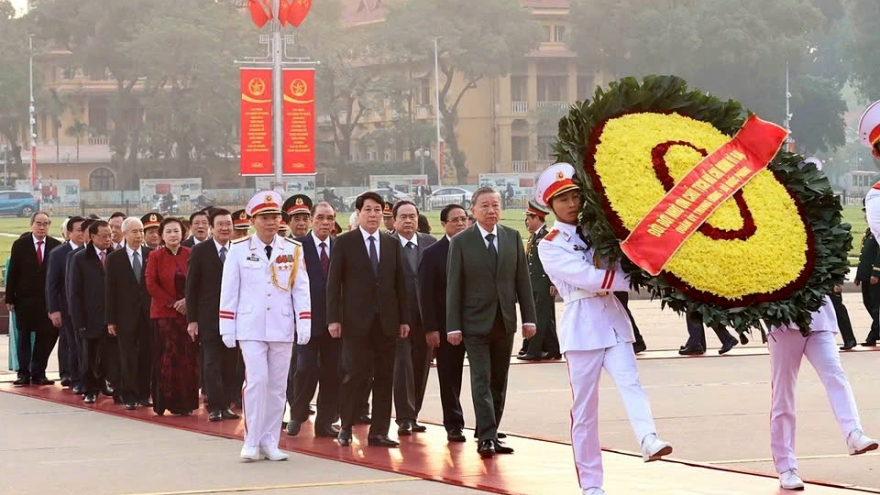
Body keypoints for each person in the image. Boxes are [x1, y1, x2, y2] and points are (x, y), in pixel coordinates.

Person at [535, 163, 672, 495]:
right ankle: (592, 486)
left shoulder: (598, 232)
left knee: (631, 383)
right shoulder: (549, 244)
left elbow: (619, 259)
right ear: (550, 206)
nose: (571, 204)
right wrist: (642, 276)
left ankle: (647, 438)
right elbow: (589, 278)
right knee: (584, 411)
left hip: (612, 321)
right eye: (562, 199)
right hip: (582, 325)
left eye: (575, 196)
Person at [219, 191, 311, 462]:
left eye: (275, 217)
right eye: (265, 217)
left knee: (278, 386)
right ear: (252, 220)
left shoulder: (292, 249)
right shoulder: (238, 249)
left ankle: (270, 440)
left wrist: (303, 320)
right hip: (250, 325)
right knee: (257, 380)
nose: (271, 222)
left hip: (281, 325)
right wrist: (227, 326)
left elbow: (301, 289)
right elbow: (229, 290)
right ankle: (251, 439)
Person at [446, 187, 536, 458]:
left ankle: (492, 430)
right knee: (481, 379)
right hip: (474, 323)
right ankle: (485, 436)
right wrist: (453, 325)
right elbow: (454, 287)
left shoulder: (512, 237)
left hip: (504, 322)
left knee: (499, 379)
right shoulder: (461, 242)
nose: (491, 210)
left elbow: (523, 282)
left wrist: (529, 319)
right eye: (484, 205)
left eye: (496, 205)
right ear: (473, 210)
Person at [767, 296, 878, 490]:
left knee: (836, 376)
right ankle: (786, 467)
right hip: (784, 322)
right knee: (783, 393)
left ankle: (853, 433)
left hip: (819, 320)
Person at [328, 191, 409, 448]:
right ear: (359, 213)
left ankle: (379, 432)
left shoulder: (391, 243)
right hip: (355, 323)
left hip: (386, 322)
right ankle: (347, 426)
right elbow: (334, 285)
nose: (373, 215)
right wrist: (333, 319)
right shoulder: (344, 242)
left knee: (385, 377)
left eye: (377, 210)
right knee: (356, 375)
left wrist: (404, 319)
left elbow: (401, 284)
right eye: (368, 210)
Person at [287, 201, 340, 438]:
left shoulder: (341, 247)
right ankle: (298, 414)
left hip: (335, 322)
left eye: (330, 218)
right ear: (311, 219)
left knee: (332, 372)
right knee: (305, 369)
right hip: (306, 321)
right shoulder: (296, 246)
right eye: (320, 218)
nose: (325, 223)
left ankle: (325, 422)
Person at [418, 204, 469, 442]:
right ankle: (454, 424)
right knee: (449, 377)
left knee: (485, 377)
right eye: (455, 220)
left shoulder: (476, 248)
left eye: (463, 219)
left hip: (477, 324)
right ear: (443, 224)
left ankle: (487, 426)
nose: (460, 224)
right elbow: (425, 295)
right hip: (446, 327)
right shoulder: (432, 253)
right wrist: (431, 328)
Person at [187, 208, 241, 422]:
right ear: (212, 227)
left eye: (228, 224)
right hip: (208, 318)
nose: (225, 228)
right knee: (211, 362)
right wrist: (192, 319)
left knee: (231, 364)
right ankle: (215, 406)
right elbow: (191, 287)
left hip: (235, 318)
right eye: (220, 224)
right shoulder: (201, 251)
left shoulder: (238, 249)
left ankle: (226, 404)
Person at [391, 200, 436, 436]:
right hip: (400, 317)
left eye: (412, 216)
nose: (408, 221)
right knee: (403, 367)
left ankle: (414, 413)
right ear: (395, 220)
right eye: (403, 217)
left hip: (425, 317)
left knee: (421, 366)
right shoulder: (387, 244)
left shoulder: (429, 243)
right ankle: (404, 418)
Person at [146, 217, 198, 416]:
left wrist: (187, 301)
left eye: (176, 231)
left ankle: (186, 402)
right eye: (168, 232)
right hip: (165, 315)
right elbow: (151, 284)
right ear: (161, 236)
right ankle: (165, 401)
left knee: (188, 357)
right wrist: (172, 303)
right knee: (168, 356)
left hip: (187, 314)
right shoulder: (155, 256)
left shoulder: (191, 253)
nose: (173, 235)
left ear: (183, 233)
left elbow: (196, 281)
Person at [6, 211, 62, 386]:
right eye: (38, 223)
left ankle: (38, 372)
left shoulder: (55, 245)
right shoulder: (20, 245)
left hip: (46, 301)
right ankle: (23, 373)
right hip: (25, 300)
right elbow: (13, 273)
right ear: (32, 224)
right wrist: (9, 298)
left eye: (45, 224)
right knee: (23, 337)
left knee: (45, 337)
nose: (42, 227)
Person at [106, 217, 154, 410]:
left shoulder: (151, 254)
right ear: (124, 234)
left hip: (148, 315)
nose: (139, 235)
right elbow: (110, 290)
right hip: (125, 317)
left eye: (141, 231)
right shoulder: (114, 259)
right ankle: (129, 394)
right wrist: (110, 319)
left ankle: (144, 393)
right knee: (127, 356)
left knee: (146, 356)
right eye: (134, 232)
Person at [69, 220, 118, 404]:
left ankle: (104, 381)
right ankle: (90, 388)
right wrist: (78, 321)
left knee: (109, 355)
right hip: (89, 316)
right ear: (92, 237)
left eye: (110, 236)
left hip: (111, 316)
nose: (107, 239)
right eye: (103, 236)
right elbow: (74, 292)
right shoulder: (80, 258)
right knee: (89, 356)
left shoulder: (115, 255)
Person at [45, 215, 85, 390]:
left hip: (88, 308)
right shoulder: (58, 253)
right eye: (79, 230)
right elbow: (52, 284)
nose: (83, 233)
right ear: (69, 233)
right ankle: (72, 376)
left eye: (85, 229)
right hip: (66, 307)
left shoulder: (91, 251)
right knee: (71, 344)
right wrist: (54, 309)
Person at [519, 200, 561, 361]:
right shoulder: (533, 238)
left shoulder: (548, 237)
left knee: (540, 318)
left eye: (529, 218)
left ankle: (534, 350)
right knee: (545, 317)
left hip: (544, 284)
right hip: (534, 284)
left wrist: (553, 282)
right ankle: (553, 349)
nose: (527, 222)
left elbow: (554, 262)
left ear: (537, 218)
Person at [852, 208, 880, 348]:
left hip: (875, 276)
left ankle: (873, 335)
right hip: (866, 275)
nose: (865, 216)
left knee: (876, 306)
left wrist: (876, 273)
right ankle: (877, 329)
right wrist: (858, 275)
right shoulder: (870, 231)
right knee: (868, 302)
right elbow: (864, 256)